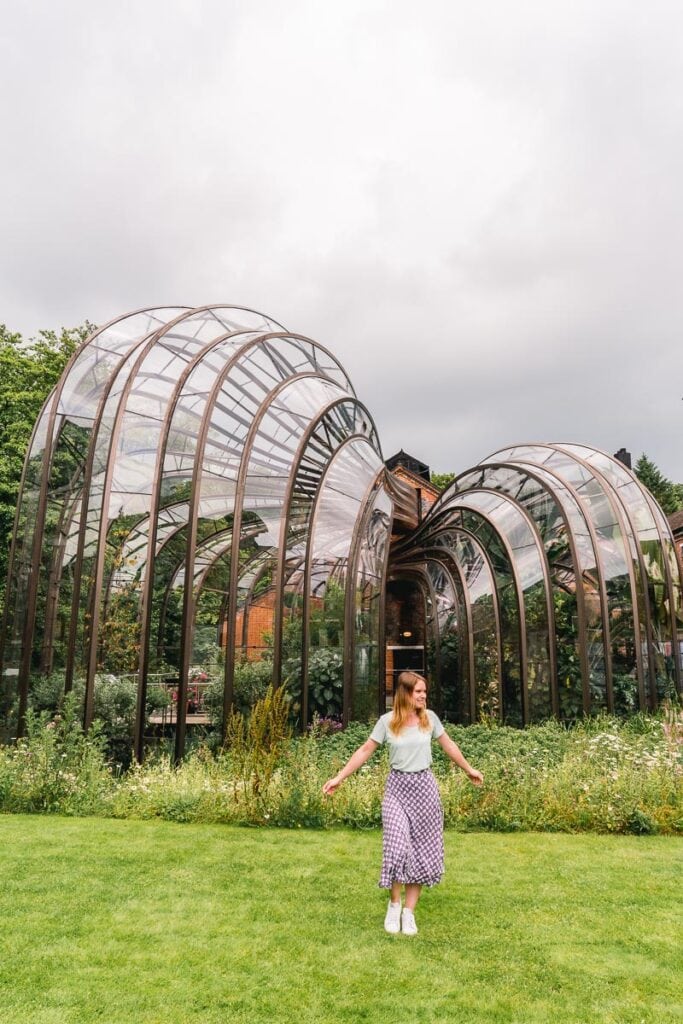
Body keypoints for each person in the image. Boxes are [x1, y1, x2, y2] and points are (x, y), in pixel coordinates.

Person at [322, 671, 483, 935]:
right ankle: (394, 904)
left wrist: (469, 769)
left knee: (421, 851)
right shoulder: (387, 722)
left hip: (425, 790)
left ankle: (409, 913)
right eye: (419, 691)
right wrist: (340, 777)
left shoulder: (429, 719)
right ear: (405, 693)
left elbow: (448, 744)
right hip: (397, 789)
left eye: (425, 692)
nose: (423, 696)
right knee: (397, 846)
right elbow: (364, 750)